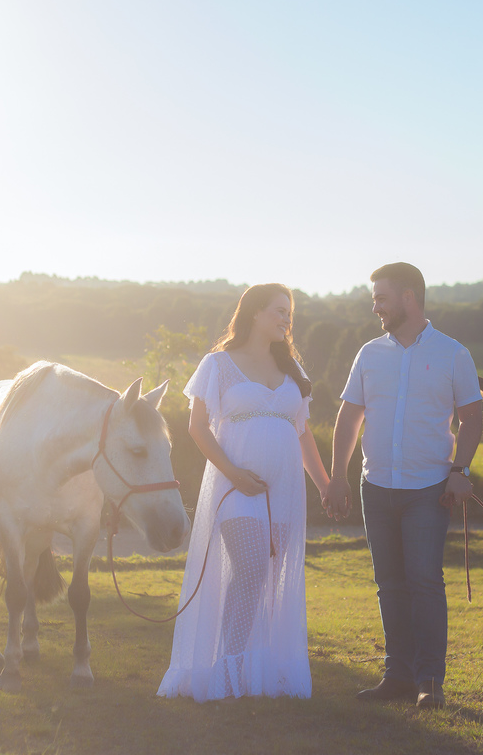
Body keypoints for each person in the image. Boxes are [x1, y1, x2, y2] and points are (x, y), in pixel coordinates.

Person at [158, 283, 330, 701]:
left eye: (289, 312)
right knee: (252, 568)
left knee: (262, 578)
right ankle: (228, 669)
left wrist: (325, 485)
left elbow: (303, 434)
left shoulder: (293, 370)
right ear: (254, 312)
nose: (287, 318)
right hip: (234, 486)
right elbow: (197, 427)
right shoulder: (218, 364)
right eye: (279, 310)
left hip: (285, 491)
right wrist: (234, 473)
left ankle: (241, 668)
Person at [323, 262, 483, 709]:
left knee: (425, 582)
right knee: (389, 584)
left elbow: (473, 418)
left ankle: (430, 680)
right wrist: (338, 475)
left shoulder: (454, 354)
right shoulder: (368, 353)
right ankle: (398, 676)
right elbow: (349, 418)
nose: (375, 307)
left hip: (429, 490)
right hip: (375, 487)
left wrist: (461, 470)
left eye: (381, 298)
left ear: (408, 297)